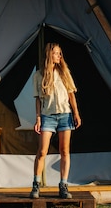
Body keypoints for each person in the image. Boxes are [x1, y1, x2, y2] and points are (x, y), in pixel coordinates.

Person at [30, 42, 81, 199]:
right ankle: (36, 185)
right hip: (47, 116)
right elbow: (38, 99)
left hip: (65, 115)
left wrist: (76, 114)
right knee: (42, 151)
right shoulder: (39, 75)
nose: (59, 56)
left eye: (60, 53)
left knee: (64, 151)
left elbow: (71, 94)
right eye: (56, 53)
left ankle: (63, 185)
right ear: (49, 55)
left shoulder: (65, 73)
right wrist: (38, 118)